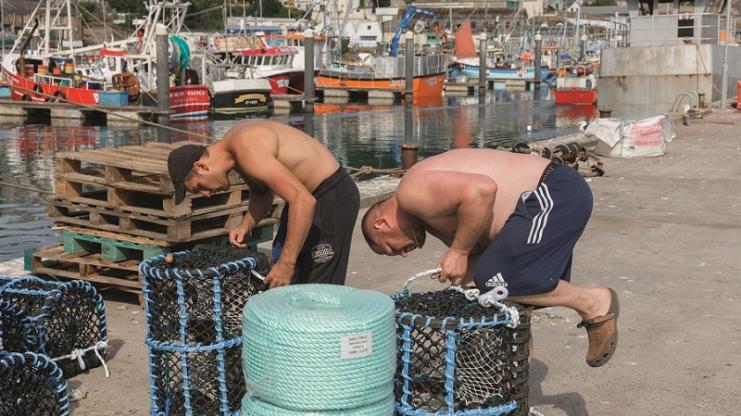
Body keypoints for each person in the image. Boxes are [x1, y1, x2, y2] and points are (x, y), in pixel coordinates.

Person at [361, 148, 619, 367]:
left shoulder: (410, 191)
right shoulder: (430, 214)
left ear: (381, 224)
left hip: (554, 191)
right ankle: (516, 358)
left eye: (393, 249)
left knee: (493, 279)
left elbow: (482, 190)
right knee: (481, 286)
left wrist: (459, 252)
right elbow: (482, 255)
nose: (404, 253)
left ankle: (593, 303)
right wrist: (464, 275)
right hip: (548, 199)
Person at [167, 120, 359, 288]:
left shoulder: (246, 147)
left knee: (317, 290)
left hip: (332, 196)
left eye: (200, 187)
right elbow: (262, 192)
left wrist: (287, 263)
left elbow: (304, 201)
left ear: (201, 167)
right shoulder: (235, 150)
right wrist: (246, 225)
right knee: (286, 281)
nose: (207, 194)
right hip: (306, 198)